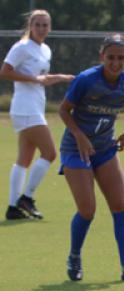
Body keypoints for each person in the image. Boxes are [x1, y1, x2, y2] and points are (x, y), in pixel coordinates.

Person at [58, 34, 124, 283]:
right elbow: (63, 110)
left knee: (121, 205)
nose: (115, 63)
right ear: (101, 57)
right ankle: (74, 256)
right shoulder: (86, 80)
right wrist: (79, 136)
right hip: (76, 150)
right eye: (111, 57)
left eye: (120, 58)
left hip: (105, 149)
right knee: (87, 210)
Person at [0, 9, 74, 220]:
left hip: (34, 107)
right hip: (25, 108)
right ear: (30, 26)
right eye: (37, 24)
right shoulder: (21, 47)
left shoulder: (45, 49)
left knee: (24, 159)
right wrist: (34, 80)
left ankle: (13, 208)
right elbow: (4, 72)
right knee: (50, 153)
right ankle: (27, 198)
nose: (41, 28)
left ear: (49, 27)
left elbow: (41, 77)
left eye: (45, 25)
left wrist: (61, 77)